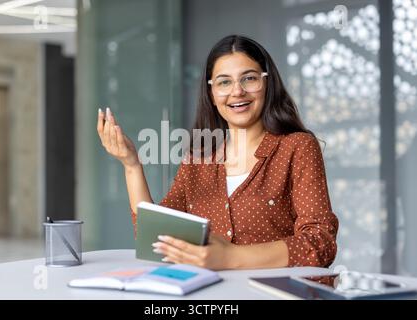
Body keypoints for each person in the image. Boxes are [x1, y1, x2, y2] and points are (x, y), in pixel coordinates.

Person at [97, 35, 338, 270]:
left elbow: (320, 243)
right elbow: (159, 237)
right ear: (211, 94)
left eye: (249, 78)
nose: (237, 92)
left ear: (267, 83)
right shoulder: (198, 158)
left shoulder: (297, 146)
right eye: (224, 82)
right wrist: (131, 165)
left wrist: (231, 257)